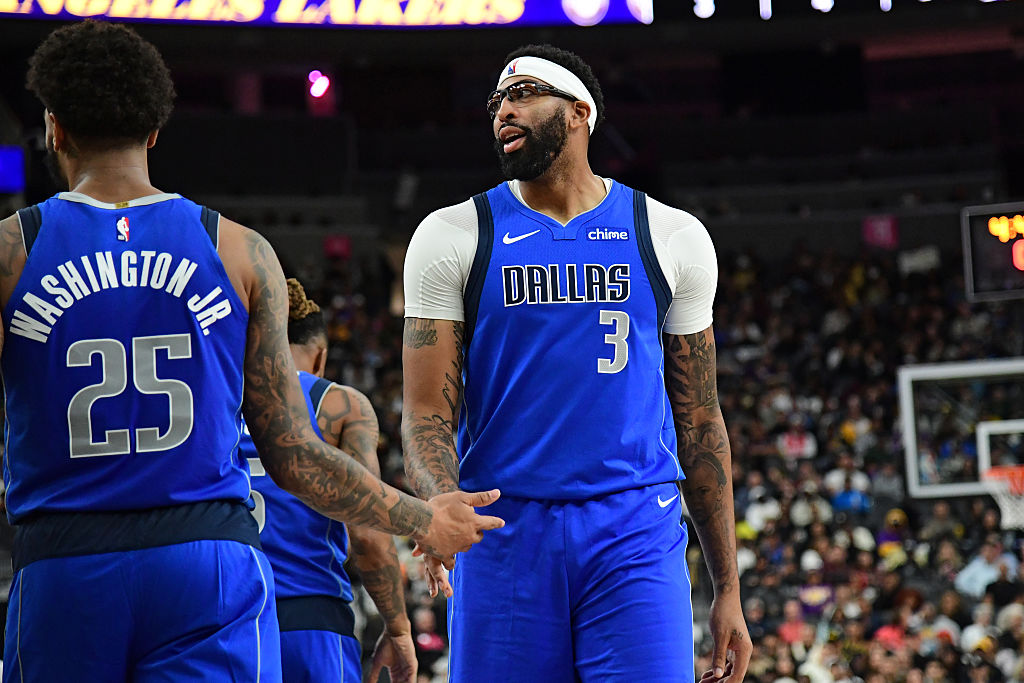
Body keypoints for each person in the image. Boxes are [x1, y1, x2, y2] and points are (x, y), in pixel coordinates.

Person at [0, 21, 501, 682]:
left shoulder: (12, 252)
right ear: (155, 131)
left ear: (53, 128)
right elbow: (293, 455)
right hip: (204, 563)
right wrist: (420, 516)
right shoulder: (238, 250)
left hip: (66, 561)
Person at [401, 43, 750, 682]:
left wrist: (727, 586)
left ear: (580, 112)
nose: (504, 110)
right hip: (503, 525)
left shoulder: (671, 234)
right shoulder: (454, 233)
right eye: (497, 100)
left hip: (633, 526)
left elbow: (700, 421)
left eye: (524, 93)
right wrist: (439, 498)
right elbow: (426, 411)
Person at [239, 278, 416, 683]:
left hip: (223, 615)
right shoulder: (339, 403)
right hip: (309, 616)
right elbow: (368, 534)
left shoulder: (214, 395)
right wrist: (398, 628)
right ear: (319, 358)